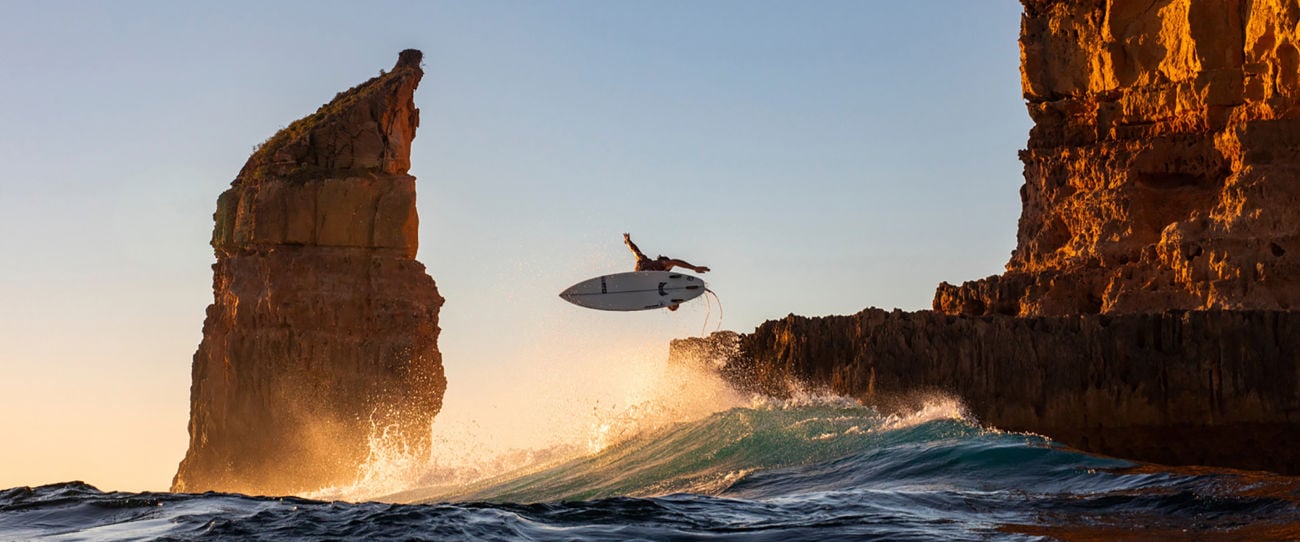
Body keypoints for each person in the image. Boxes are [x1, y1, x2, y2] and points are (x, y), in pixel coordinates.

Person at [623, 233, 710, 311]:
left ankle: (671, 302)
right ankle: (671, 302)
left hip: (646, 284)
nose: (668, 269)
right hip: (641, 279)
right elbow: (674, 262)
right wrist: (694, 268)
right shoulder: (659, 264)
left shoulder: (645, 262)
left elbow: (634, 250)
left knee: (672, 300)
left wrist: (628, 242)